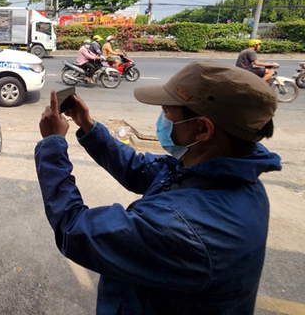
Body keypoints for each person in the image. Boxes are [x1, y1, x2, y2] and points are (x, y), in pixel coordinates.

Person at [35, 61, 280, 314]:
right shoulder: (217, 171)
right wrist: (88, 126)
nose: (162, 120)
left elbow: (74, 231)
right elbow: (138, 168)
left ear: (203, 129)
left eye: (166, 112)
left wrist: (53, 144)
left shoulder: (183, 227)